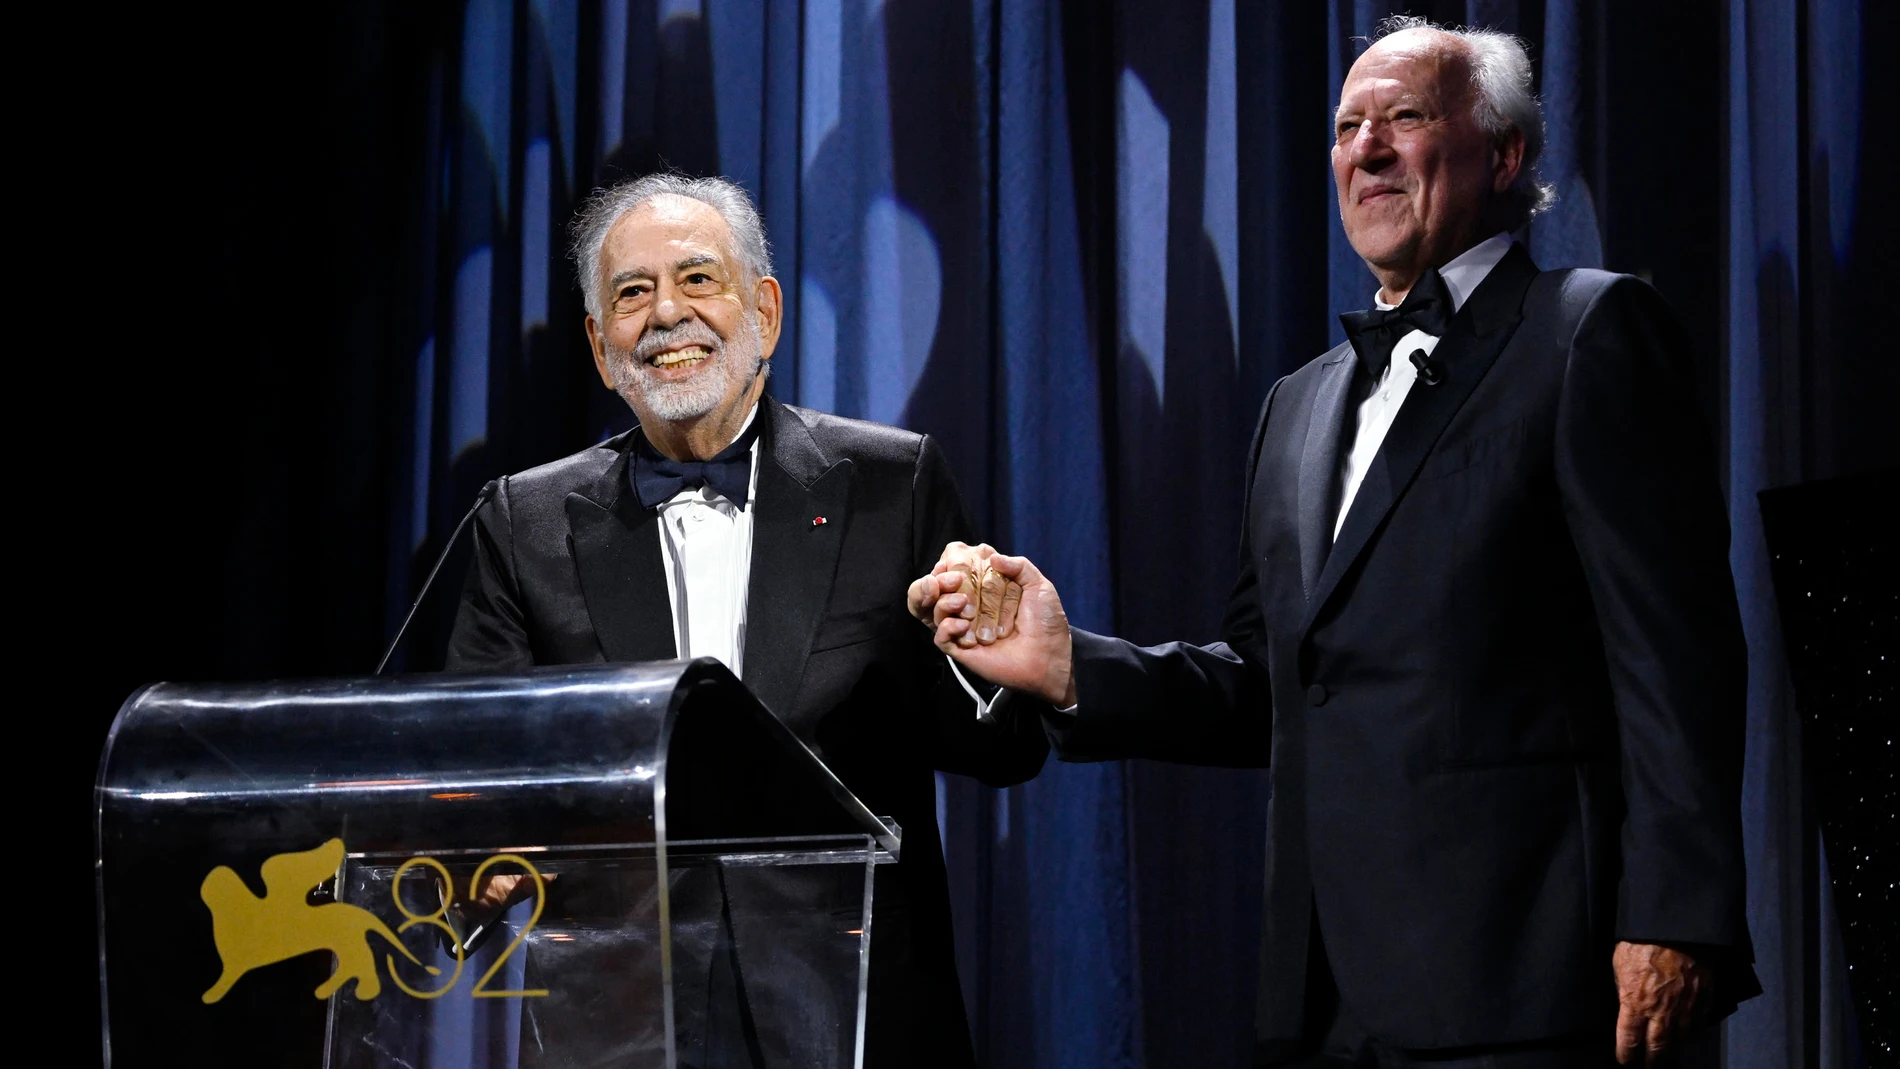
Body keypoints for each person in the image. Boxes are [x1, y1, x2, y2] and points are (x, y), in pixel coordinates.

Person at [911, 17, 1756, 1068]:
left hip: (1528, 976)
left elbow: (1676, 656)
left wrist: (1676, 910)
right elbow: (1276, 686)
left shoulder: (1587, 331)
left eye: (1405, 118)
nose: (1367, 148)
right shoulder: (1297, 405)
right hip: (1322, 995)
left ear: (1504, 155)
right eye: (1348, 125)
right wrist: (1072, 664)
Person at [447, 173, 1047, 1066]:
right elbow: (474, 766)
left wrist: (987, 661)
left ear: (763, 311)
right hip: (617, 1020)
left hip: (851, 1011)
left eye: (697, 280)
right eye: (632, 293)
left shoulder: (891, 484)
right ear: (601, 347)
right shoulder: (521, 520)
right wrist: (478, 846)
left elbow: (999, 749)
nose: (666, 315)